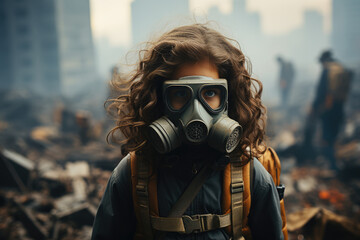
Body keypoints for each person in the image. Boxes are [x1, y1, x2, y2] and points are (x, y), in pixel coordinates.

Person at [91, 24, 284, 240]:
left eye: (210, 92)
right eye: (180, 94)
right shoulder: (133, 175)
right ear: (159, 98)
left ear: (229, 97)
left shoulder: (250, 175)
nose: (196, 111)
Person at [305, 50, 352, 171]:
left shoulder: (327, 71)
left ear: (323, 61)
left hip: (328, 109)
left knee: (326, 137)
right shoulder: (341, 68)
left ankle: (332, 166)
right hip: (339, 107)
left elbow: (321, 92)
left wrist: (314, 108)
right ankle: (333, 163)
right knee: (333, 136)